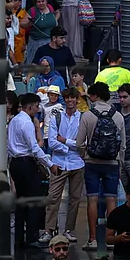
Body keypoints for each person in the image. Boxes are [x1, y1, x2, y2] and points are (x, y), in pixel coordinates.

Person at [77, 81, 124, 251]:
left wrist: (86, 156)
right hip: (112, 163)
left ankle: (92, 239)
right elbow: (123, 144)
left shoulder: (88, 115)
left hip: (92, 163)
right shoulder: (118, 116)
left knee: (92, 200)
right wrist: (119, 160)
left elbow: (79, 142)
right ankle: (111, 238)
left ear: (95, 96)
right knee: (112, 199)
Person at [10, 92, 55, 248]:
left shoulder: (14, 120)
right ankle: (32, 237)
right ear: (29, 106)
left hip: (15, 163)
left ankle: (19, 238)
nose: (38, 109)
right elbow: (34, 148)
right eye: (36, 106)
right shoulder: (27, 123)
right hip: (26, 163)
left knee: (21, 200)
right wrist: (50, 165)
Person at [45, 87, 85, 241]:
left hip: (77, 163)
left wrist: (65, 141)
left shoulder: (82, 118)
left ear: (77, 100)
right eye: (67, 98)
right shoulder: (57, 117)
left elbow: (83, 143)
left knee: (75, 199)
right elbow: (52, 142)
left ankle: (69, 229)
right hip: (59, 163)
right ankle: (49, 230)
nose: (70, 101)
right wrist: (69, 145)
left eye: (72, 98)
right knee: (53, 197)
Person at [24, 0, 58, 67]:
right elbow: (22, 24)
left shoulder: (50, 8)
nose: (41, 3)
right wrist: (29, 24)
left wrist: (56, 19)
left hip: (50, 41)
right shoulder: (32, 11)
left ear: (46, 1)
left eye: (43, 1)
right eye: (38, 2)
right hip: (36, 42)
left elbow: (58, 12)